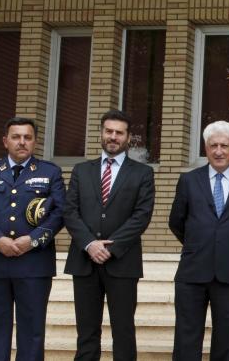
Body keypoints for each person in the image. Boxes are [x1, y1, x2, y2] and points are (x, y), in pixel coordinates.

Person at [0, 117, 65, 361]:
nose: (22, 142)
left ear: (35, 141)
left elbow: (60, 212)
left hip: (33, 263)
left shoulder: (50, 172)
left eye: (27, 137)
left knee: (32, 331)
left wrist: (31, 240)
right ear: (5, 141)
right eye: (16, 137)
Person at [63, 109, 156, 360]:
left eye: (119, 132)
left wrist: (110, 248)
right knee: (86, 332)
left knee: (123, 331)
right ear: (101, 133)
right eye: (109, 131)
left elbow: (141, 216)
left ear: (128, 138)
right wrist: (89, 244)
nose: (113, 136)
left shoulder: (143, 173)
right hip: (84, 261)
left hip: (122, 262)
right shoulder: (81, 171)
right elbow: (70, 211)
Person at [168, 121, 229, 361]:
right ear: (206, 148)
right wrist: (199, 244)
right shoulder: (189, 180)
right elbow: (176, 221)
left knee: (227, 339)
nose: (219, 151)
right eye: (213, 146)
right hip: (192, 271)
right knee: (187, 339)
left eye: (224, 145)